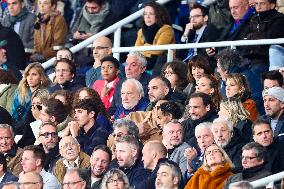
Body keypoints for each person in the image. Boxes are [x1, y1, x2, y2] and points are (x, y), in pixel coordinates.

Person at [215, 49, 264, 114]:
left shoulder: (246, 77)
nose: (217, 70)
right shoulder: (226, 80)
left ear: (226, 70)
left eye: (218, 67)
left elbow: (257, 100)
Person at [135, 1, 174, 72]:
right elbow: (137, 49)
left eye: (151, 14)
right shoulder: (141, 31)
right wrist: (147, 49)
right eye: (145, 14)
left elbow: (158, 50)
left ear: (158, 15)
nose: (147, 16)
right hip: (145, 62)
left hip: (163, 64)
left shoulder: (167, 29)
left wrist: (144, 46)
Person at [108, 51, 151, 116]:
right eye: (126, 64)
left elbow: (147, 109)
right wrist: (110, 116)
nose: (128, 68)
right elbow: (113, 108)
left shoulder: (151, 84)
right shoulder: (120, 83)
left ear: (142, 69)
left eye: (133, 65)